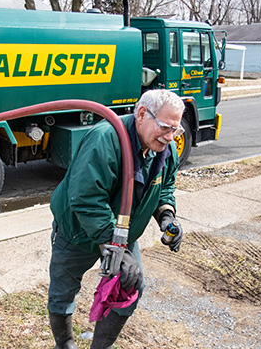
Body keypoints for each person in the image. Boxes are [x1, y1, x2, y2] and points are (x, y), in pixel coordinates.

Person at [47, 89, 185, 349]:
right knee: (62, 292)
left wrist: (167, 218)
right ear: (142, 114)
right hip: (76, 232)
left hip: (122, 232)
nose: (170, 137)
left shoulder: (164, 148)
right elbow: (86, 198)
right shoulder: (106, 139)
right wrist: (116, 247)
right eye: (166, 127)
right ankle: (64, 345)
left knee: (132, 286)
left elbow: (164, 187)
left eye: (175, 131)